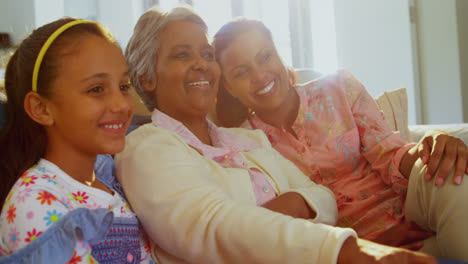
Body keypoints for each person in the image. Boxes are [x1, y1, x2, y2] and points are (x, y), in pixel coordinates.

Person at [117, 6, 437, 263]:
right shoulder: (146, 145)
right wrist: (347, 248)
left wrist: (294, 203)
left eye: (207, 54)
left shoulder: (246, 141)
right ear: (146, 78)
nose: (201, 64)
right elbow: (212, 227)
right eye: (182, 55)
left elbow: (324, 198)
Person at [213, 18, 468, 261]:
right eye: (241, 72)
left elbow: (389, 155)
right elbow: (283, 228)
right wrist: (367, 245)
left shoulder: (339, 87)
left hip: (412, 216)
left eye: (265, 56)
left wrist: (434, 146)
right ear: (228, 87)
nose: (260, 76)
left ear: (279, 55)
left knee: (448, 177)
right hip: (345, 253)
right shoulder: (240, 145)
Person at [0, 18, 152, 263]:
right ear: (41, 108)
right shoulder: (36, 201)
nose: (123, 104)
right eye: (96, 89)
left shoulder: (111, 185)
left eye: (123, 86)